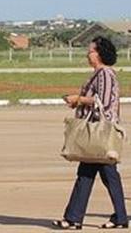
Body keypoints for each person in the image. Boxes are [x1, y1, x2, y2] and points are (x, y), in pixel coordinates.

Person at [53, 36, 127, 230]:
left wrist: (78, 99)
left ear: (100, 54)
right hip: (95, 134)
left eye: (91, 51)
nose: (88, 54)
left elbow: (102, 101)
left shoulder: (105, 74)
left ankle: (77, 218)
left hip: (99, 132)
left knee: (100, 175)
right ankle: (76, 218)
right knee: (89, 175)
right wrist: (78, 103)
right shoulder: (98, 74)